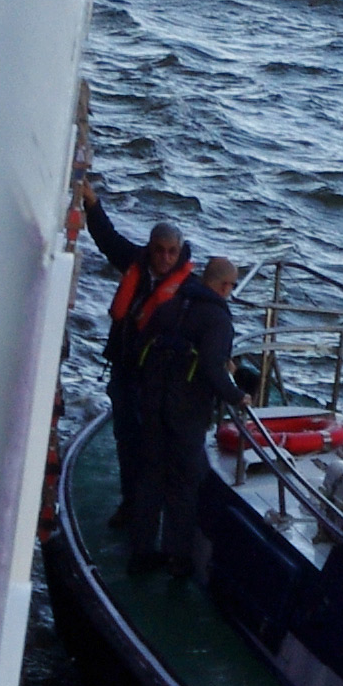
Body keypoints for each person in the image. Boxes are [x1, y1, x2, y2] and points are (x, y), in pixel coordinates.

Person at [72, 174, 193, 524]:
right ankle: (131, 503)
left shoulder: (188, 290)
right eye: (160, 250)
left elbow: (207, 324)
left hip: (159, 382)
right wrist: (91, 203)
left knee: (153, 449)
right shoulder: (136, 265)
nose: (165, 258)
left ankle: (152, 511)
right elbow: (108, 240)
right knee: (126, 441)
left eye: (172, 251)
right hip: (126, 373)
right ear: (151, 248)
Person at [128, 255, 243, 576]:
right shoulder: (218, 321)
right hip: (187, 414)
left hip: (153, 406)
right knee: (183, 485)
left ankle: (140, 554)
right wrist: (237, 395)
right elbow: (211, 367)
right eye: (231, 286)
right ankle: (177, 558)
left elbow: (139, 349)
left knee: (150, 480)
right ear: (223, 286)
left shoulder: (169, 307)